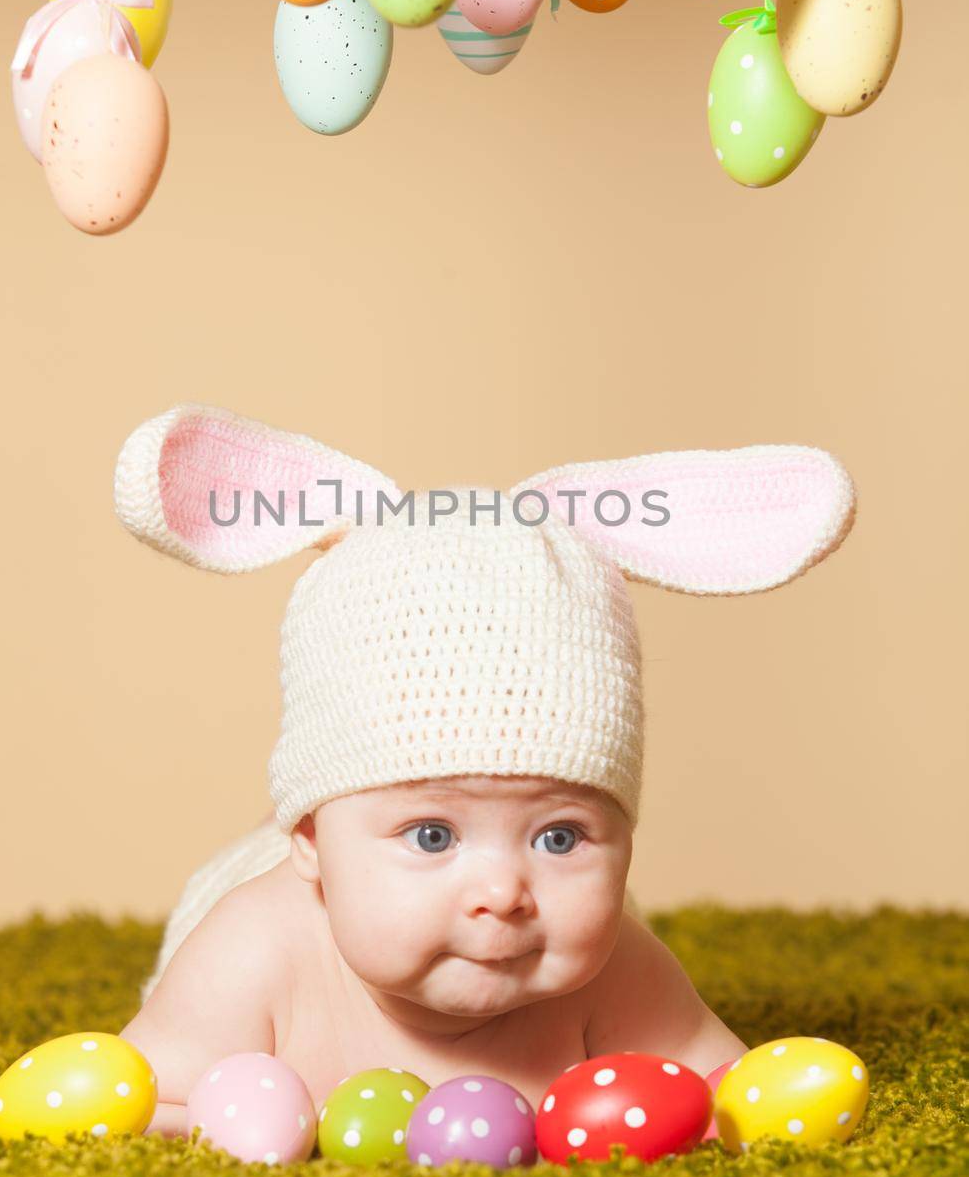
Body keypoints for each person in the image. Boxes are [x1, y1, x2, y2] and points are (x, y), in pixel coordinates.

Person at [111, 405, 855, 1135]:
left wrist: (763, 1101)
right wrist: (248, 1127)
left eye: (560, 838)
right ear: (307, 837)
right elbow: (138, 1100)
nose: (503, 894)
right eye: (432, 835)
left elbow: (720, 1088)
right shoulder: (252, 953)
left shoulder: (619, 968)